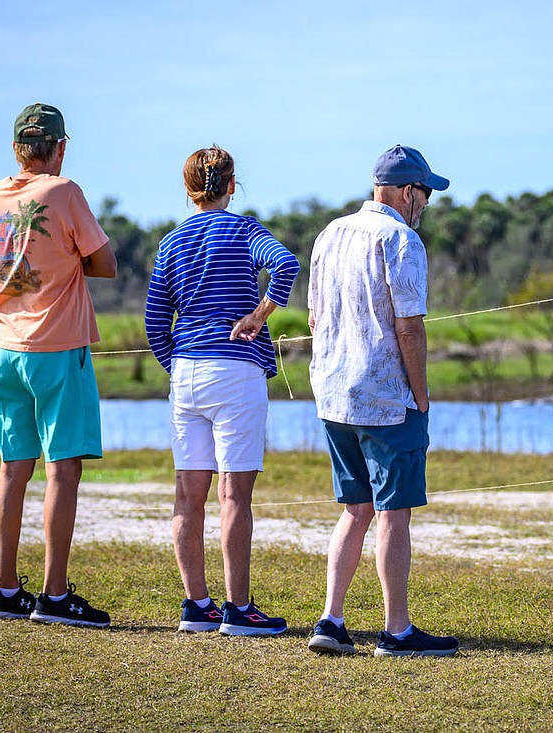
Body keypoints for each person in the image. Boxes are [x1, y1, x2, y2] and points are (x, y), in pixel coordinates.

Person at [305, 145, 458, 657]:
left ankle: (331, 619)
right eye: (426, 194)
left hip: (333, 392)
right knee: (394, 512)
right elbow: (409, 327)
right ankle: (397, 630)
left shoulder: (329, 232)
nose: (427, 204)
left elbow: (313, 318)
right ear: (408, 192)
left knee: (354, 509)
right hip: (387, 396)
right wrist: (422, 394)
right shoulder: (401, 238)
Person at [144, 145, 300, 636]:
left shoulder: (171, 242)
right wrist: (257, 316)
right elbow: (287, 266)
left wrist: (178, 363)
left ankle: (197, 605)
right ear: (231, 185)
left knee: (189, 495)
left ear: (187, 187)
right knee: (235, 495)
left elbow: (154, 320)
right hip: (235, 371)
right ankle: (238, 609)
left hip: (186, 373)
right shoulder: (245, 228)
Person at [0, 103, 117, 627]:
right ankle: (55, 595)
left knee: (14, 467)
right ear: (59, 147)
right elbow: (104, 262)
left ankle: (5, 589)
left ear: (17, 148)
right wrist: (67, 260)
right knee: (64, 467)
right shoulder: (64, 192)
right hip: (57, 347)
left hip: (3, 348)